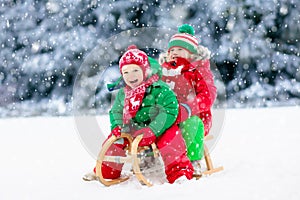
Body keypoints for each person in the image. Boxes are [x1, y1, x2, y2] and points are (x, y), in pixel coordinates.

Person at [83, 45, 194, 184]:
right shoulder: (124, 93)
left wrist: (152, 130)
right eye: (126, 72)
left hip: (161, 128)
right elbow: (116, 111)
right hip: (136, 128)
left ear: (145, 71)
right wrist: (118, 126)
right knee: (115, 141)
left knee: (171, 140)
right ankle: (106, 172)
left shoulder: (159, 88)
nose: (131, 76)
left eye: (136, 70)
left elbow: (169, 110)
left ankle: (180, 173)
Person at [159, 24, 217, 175]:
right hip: (169, 115)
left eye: (180, 49)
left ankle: (193, 160)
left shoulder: (199, 70)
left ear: (191, 53)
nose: (175, 53)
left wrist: (188, 108)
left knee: (191, 124)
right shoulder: (165, 70)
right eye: (172, 50)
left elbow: (208, 95)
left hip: (196, 115)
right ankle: (147, 157)